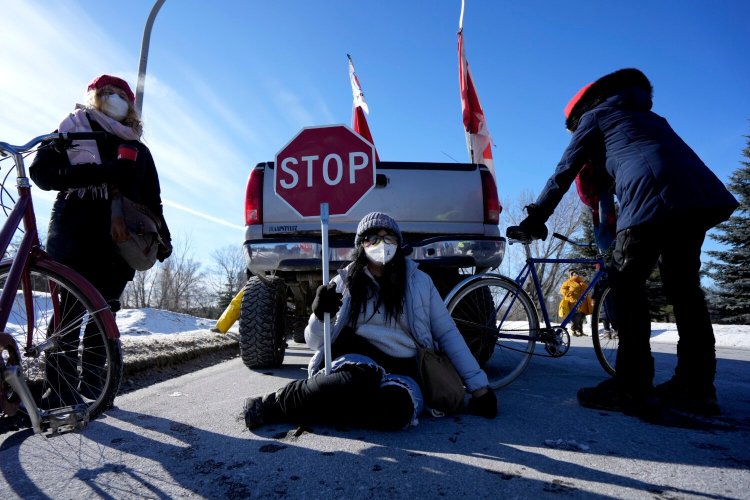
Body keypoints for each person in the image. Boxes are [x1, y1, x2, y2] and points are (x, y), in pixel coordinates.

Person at [511, 68, 738, 419]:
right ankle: (696, 388)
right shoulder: (647, 116)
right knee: (686, 292)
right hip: (696, 198)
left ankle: (631, 387)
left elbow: (565, 169)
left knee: (627, 288)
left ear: (579, 113)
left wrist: (536, 218)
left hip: (649, 201)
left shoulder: (596, 116)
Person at [243, 212, 497, 430]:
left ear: (399, 243)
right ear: (361, 244)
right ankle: (273, 405)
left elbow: (447, 333)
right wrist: (320, 315)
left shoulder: (419, 282)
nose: (381, 244)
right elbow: (315, 342)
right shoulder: (344, 281)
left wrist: (479, 387)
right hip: (357, 360)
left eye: (389, 237)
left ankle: (326, 407)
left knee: (397, 411)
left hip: (405, 369)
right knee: (346, 384)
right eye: (373, 238)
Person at [30, 74, 172, 404]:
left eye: (119, 95)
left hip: (119, 240)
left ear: (130, 107)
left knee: (104, 310)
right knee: (70, 310)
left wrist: (162, 237)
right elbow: (42, 173)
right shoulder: (71, 131)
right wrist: (104, 172)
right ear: (93, 96)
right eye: (105, 93)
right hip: (75, 230)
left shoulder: (137, 147)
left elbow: (153, 196)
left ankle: (96, 387)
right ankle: (59, 390)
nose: (112, 99)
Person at [559, 269, 591, 336]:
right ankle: (574, 330)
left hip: (582, 303)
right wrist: (568, 293)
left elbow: (586, 291)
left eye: (576, 273)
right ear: (570, 275)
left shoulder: (581, 282)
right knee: (575, 317)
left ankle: (580, 330)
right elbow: (562, 289)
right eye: (573, 273)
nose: (575, 275)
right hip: (573, 302)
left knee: (581, 317)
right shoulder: (568, 282)